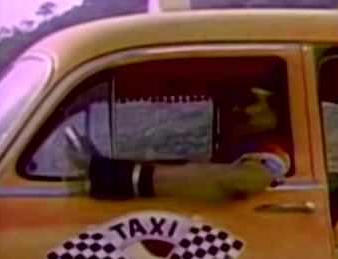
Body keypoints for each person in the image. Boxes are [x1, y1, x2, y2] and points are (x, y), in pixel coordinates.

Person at [77, 86, 292, 202]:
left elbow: (242, 181)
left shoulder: (274, 149)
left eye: (246, 103)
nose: (235, 110)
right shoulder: (233, 147)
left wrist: (127, 177)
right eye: (233, 103)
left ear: (276, 110)